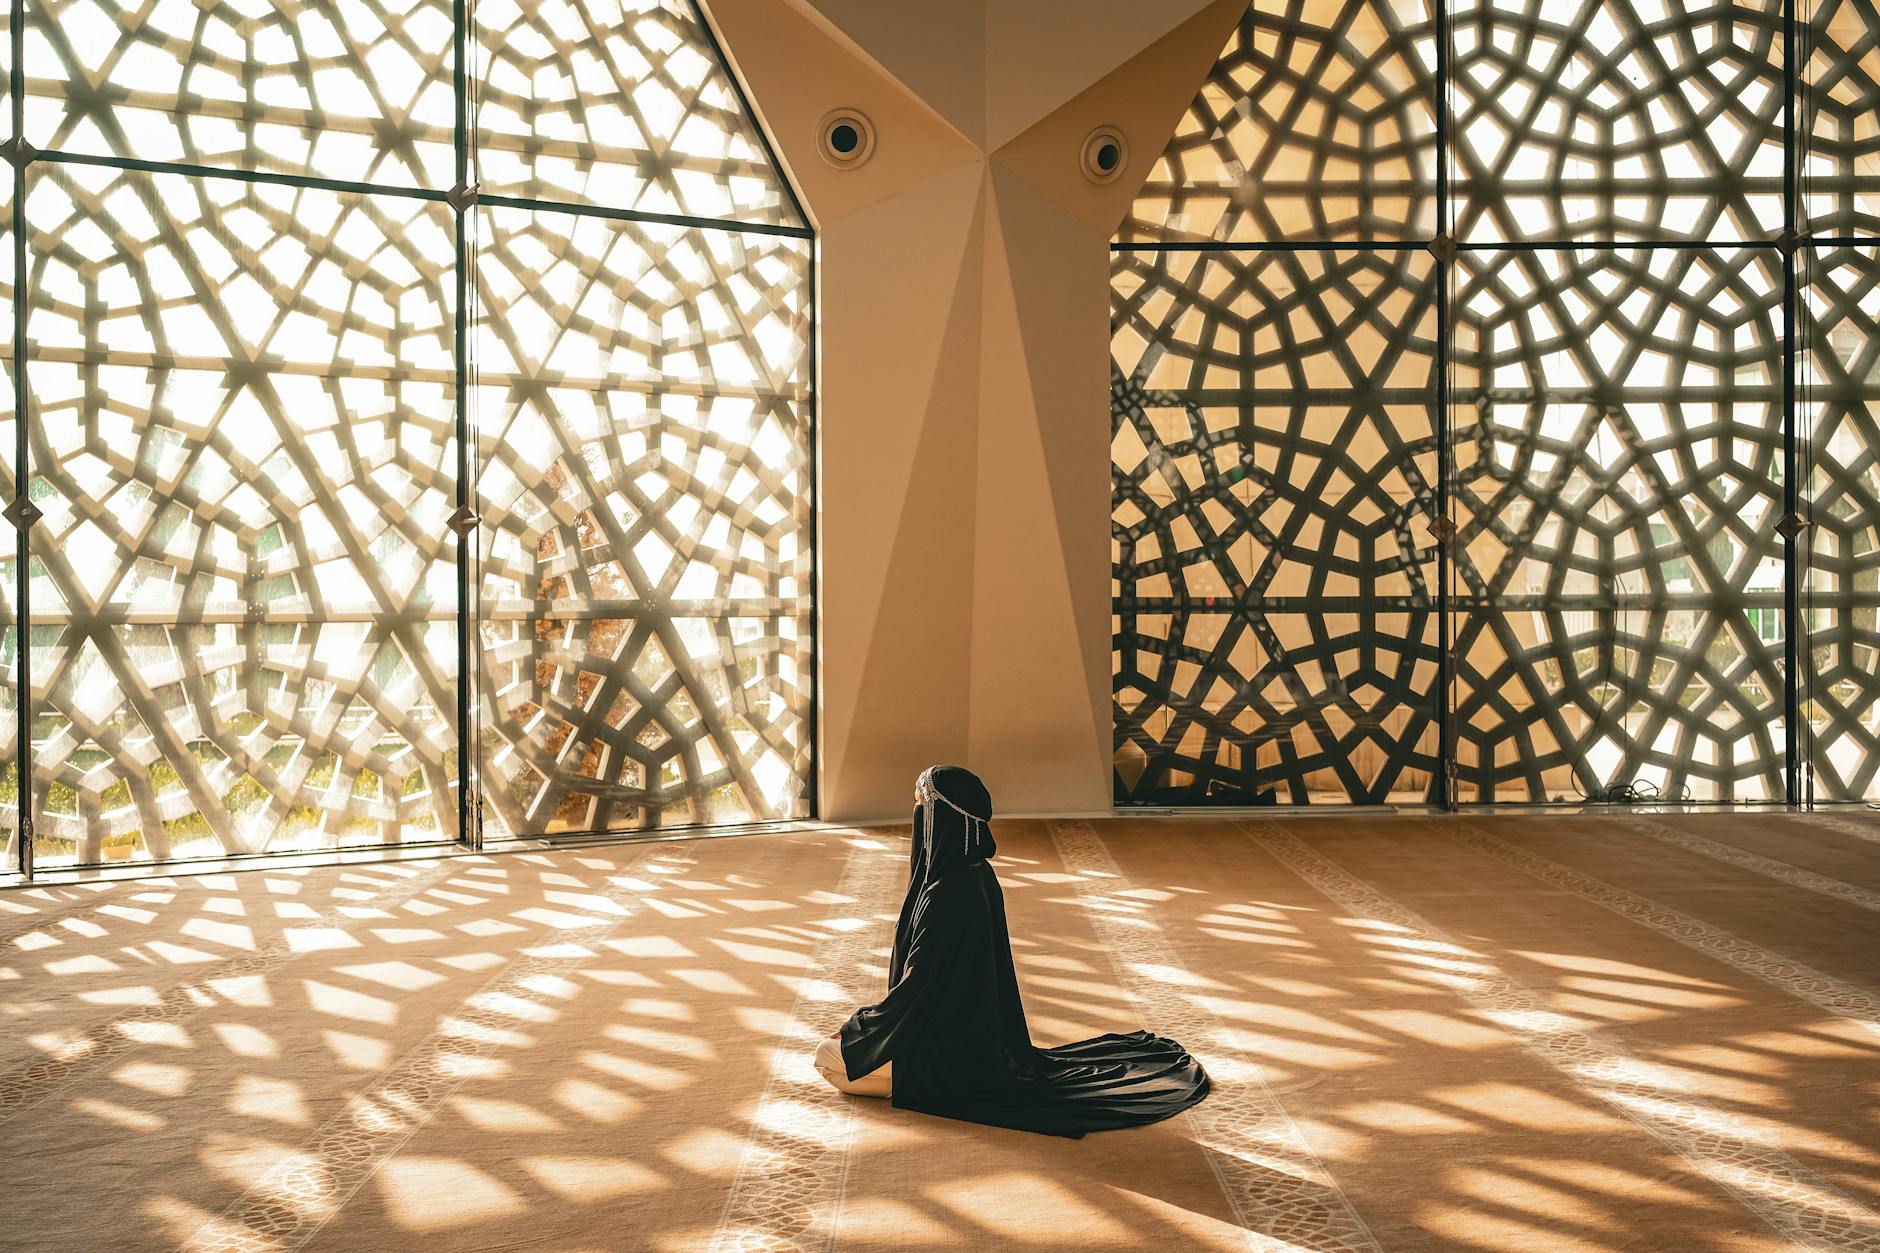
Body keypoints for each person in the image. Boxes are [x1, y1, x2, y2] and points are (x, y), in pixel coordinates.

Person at [812, 765, 1209, 1138]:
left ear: (942, 818)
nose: (917, 818)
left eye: (921, 807)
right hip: (977, 1039)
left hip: (947, 1057)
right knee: (849, 1049)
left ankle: (897, 1069)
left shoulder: (945, 895)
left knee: (826, 1059)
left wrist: (857, 1029)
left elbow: (919, 990)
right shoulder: (976, 874)